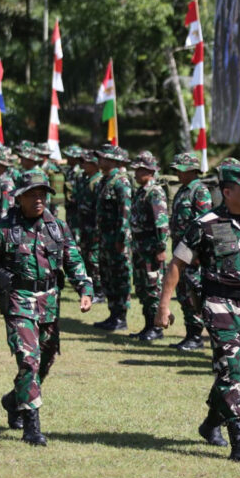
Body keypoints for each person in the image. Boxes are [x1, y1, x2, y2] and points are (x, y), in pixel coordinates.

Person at [155, 164, 240, 464]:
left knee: (236, 370)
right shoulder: (206, 223)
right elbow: (177, 264)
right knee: (230, 370)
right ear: (227, 192)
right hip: (218, 305)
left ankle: (211, 423)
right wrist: (164, 305)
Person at [0, 172, 93, 446]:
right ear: (20, 197)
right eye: (33, 194)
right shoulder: (2, 230)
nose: (39, 199)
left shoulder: (58, 227)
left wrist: (85, 289)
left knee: (45, 361)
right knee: (28, 361)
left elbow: (73, 259)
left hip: (49, 301)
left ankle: (13, 400)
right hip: (18, 300)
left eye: (43, 194)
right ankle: (32, 427)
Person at [167, 152, 212, 351]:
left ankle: (197, 337)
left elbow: (204, 223)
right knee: (183, 293)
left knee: (194, 293)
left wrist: (197, 252)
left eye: (181, 170)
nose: (177, 173)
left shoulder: (200, 191)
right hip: (180, 249)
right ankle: (190, 335)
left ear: (193, 171)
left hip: (192, 253)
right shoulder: (182, 191)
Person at [128, 151, 169, 342]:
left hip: (151, 250)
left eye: (140, 170)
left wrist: (161, 248)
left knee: (153, 288)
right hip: (139, 248)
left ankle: (156, 328)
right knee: (142, 288)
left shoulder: (155, 192)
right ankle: (147, 326)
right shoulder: (141, 191)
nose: (136, 173)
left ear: (150, 171)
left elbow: (161, 223)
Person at [93, 144, 132, 332]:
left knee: (119, 277)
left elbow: (125, 213)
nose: (99, 161)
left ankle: (121, 317)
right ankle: (113, 314)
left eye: (103, 157)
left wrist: (121, 239)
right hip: (104, 239)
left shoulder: (121, 182)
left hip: (117, 240)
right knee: (107, 276)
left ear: (112, 160)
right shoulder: (103, 181)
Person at [76, 149, 104, 303]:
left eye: (86, 162)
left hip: (93, 227)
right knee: (86, 258)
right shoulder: (87, 179)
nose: (83, 165)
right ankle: (91, 288)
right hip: (85, 226)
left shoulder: (98, 181)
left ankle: (99, 291)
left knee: (94, 260)